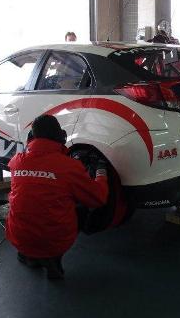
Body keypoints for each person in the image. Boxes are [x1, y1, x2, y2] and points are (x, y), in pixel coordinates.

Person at [6, 115, 109, 280]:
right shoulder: (69, 167)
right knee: (80, 209)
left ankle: (30, 256)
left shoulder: (16, 162)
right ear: (61, 137)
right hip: (54, 240)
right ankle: (53, 257)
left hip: (17, 236)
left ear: (31, 138)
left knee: (25, 203)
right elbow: (99, 198)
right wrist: (101, 172)